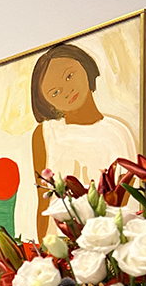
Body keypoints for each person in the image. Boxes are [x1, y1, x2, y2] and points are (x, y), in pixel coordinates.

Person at [30, 43, 137, 238]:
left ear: (86, 67)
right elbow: (43, 202)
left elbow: (125, 201)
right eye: (55, 92)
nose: (67, 91)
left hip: (106, 242)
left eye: (70, 76)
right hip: (60, 246)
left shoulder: (119, 133)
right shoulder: (46, 133)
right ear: (47, 103)